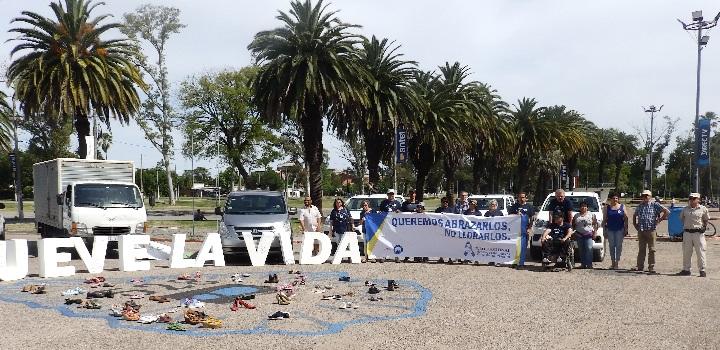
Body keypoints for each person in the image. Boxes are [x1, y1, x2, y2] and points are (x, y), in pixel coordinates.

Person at [632, 190, 669, 274]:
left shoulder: (655, 205)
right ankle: (640, 266)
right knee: (641, 249)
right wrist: (635, 224)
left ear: (650, 196)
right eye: (643, 196)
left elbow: (666, 211)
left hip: (651, 230)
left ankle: (651, 267)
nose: (645, 197)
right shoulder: (640, 205)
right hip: (641, 230)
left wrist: (659, 219)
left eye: (646, 195)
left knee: (652, 249)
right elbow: (635, 215)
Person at [677, 192, 710, 277]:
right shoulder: (685, 209)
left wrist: (704, 227)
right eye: (690, 198)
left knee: (701, 252)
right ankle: (686, 269)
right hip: (687, 233)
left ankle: (702, 270)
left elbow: (706, 219)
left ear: (698, 200)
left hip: (698, 233)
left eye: (694, 198)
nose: (692, 200)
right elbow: (682, 218)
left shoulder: (703, 209)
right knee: (686, 252)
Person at [509, 192, 535, 268]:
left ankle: (521, 263)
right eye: (520, 197)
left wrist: (530, 228)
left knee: (523, 247)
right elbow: (509, 216)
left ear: (526, 198)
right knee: (515, 246)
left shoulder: (529, 206)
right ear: (518, 198)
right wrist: (516, 214)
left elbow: (532, 218)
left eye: (523, 197)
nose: (521, 199)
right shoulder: (514, 206)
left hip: (524, 230)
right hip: (515, 230)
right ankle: (514, 262)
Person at [603, 192, 628, 270]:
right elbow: (604, 219)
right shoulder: (607, 208)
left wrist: (626, 228)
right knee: (611, 246)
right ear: (610, 199)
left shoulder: (622, 207)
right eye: (613, 198)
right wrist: (603, 229)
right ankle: (612, 262)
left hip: (620, 229)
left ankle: (617, 263)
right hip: (610, 229)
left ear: (618, 199)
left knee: (618, 246)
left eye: (616, 198)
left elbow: (626, 218)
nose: (615, 200)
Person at [572, 201, 598, 269]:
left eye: (585, 206)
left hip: (588, 234)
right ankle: (583, 264)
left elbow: (595, 224)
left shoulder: (591, 215)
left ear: (587, 207)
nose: (583, 207)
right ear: (579, 208)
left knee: (589, 249)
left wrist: (595, 232)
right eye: (582, 206)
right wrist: (573, 233)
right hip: (579, 235)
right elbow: (573, 225)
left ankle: (589, 264)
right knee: (581, 250)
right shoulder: (576, 215)